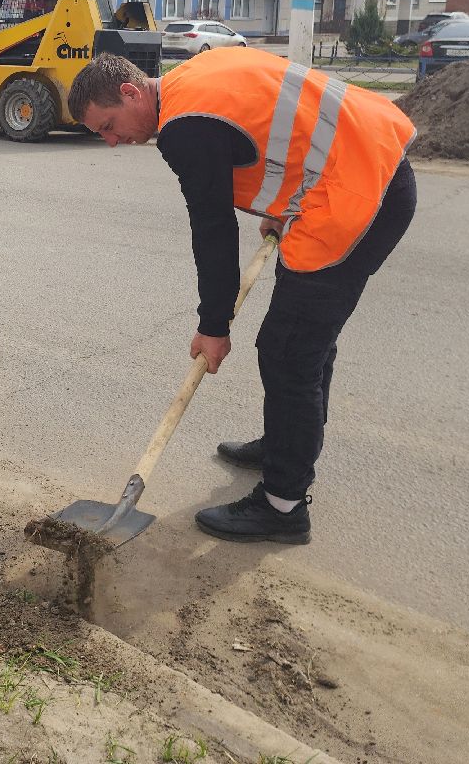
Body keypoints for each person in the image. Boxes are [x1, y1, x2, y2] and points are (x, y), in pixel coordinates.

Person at [67, 49, 417, 544]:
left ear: (129, 92)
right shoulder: (191, 78)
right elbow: (283, 124)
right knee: (305, 341)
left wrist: (214, 327)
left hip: (358, 197)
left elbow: (212, 229)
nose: (110, 141)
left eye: (108, 125)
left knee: (290, 350)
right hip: (367, 165)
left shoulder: (184, 127)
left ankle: (283, 506)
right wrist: (290, 199)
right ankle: (285, 444)